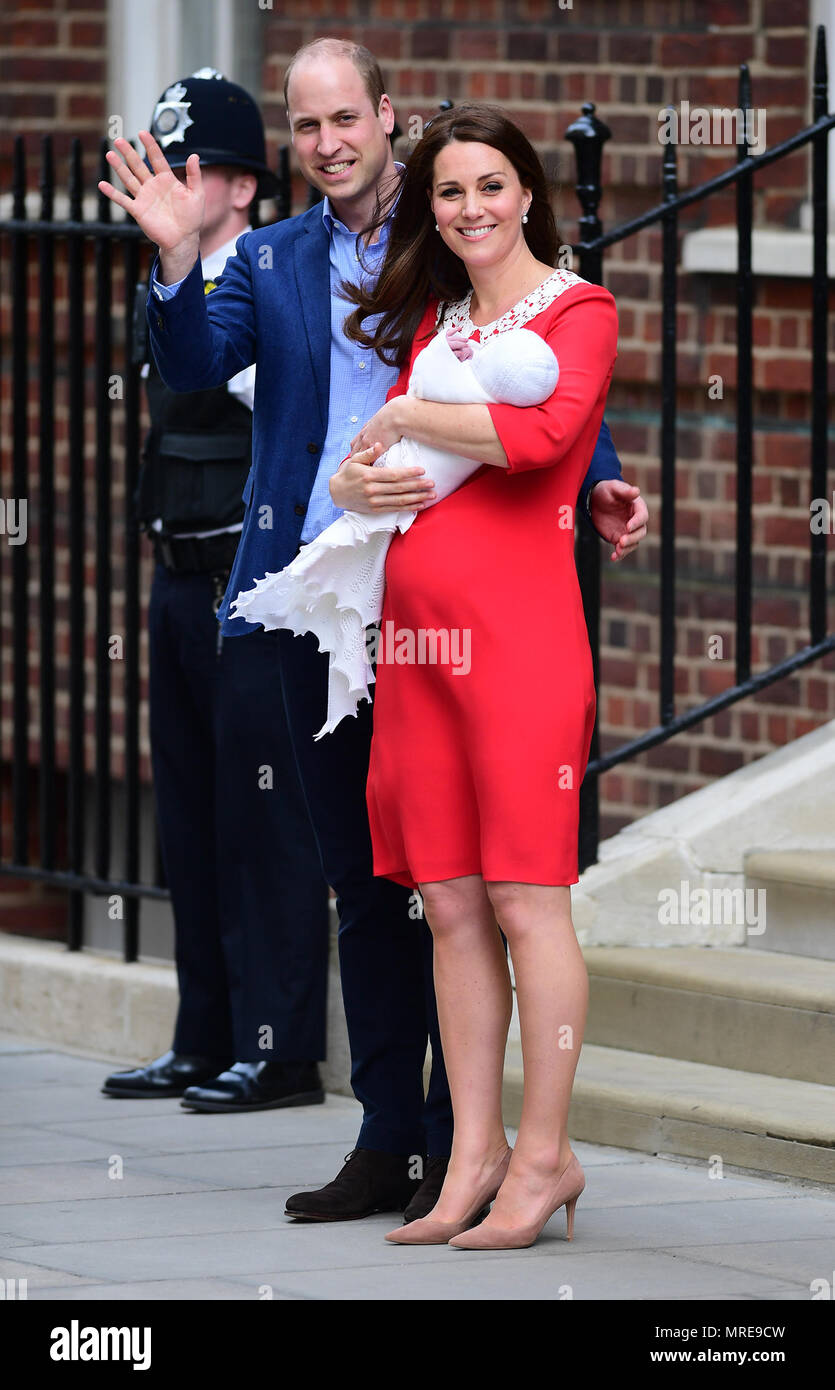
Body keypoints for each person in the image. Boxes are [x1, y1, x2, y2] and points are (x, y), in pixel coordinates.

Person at [98, 37, 648, 1222]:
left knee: (468, 887)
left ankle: (474, 1138)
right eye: (306, 127)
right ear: (292, 142)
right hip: (315, 590)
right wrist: (180, 255)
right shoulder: (275, 253)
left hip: (453, 599)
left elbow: (531, 356)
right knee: (377, 877)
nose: (329, 142)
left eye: (345, 117)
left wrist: (595, 472)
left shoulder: (448, 224)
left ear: (384, 115)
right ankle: (394, 1134)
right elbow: (193, 360)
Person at [336, 103, 617, 1249]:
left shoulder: (580, 309)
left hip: (519, 647)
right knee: (446, 902)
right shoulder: (440, 324)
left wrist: (405, 408)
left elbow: (541, 440)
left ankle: (546, 1157)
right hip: (414, 649)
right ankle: (472, 1159)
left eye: (490, 186)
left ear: (528, 193)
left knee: (522, 898)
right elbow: (382, 473)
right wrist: (359, 487)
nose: (470, 210)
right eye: (449, 192)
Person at [101, 70, 330, 1113]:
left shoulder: (269, 275)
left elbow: (265, 395)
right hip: (177, 575)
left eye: (183, 166)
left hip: (255, 584)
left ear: (240, 186)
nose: (165, 180)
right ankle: (203, 1035)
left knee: (263, 820)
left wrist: (190, 276)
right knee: (188, 815)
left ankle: (277, 1049)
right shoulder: (183, 271)